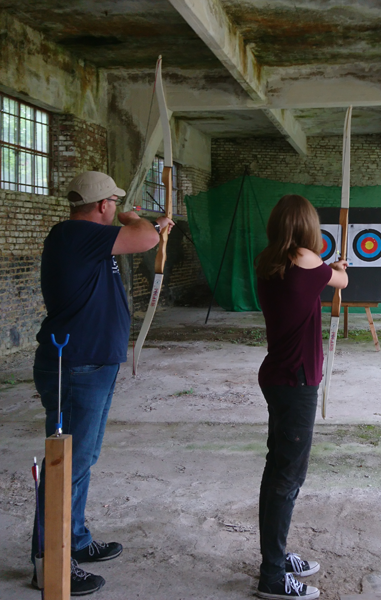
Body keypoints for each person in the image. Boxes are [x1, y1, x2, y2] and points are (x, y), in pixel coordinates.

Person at [32, 171, 174, 595]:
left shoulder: (88, 238)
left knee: (80, 459)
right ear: (101, 206)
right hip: (77, 365)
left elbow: (141, 235)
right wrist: (141, 219)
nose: (116, 209)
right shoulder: (76, 234)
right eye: (113, 202)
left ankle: (73, 540)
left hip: (90, 363)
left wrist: (141, 223)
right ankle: (49, 561)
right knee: (66, 465)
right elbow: (145, 237)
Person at [254, 194, 348, 599]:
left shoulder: (268, 261)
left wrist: (328, 269)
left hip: (279, 376)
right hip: (295, 382)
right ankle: (272, 576)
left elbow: (319, 276)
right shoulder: (309, 263)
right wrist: (338, 268)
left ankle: (275, 555)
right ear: (309, 229)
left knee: (279, 472)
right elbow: (340, 280)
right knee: (286, 478)